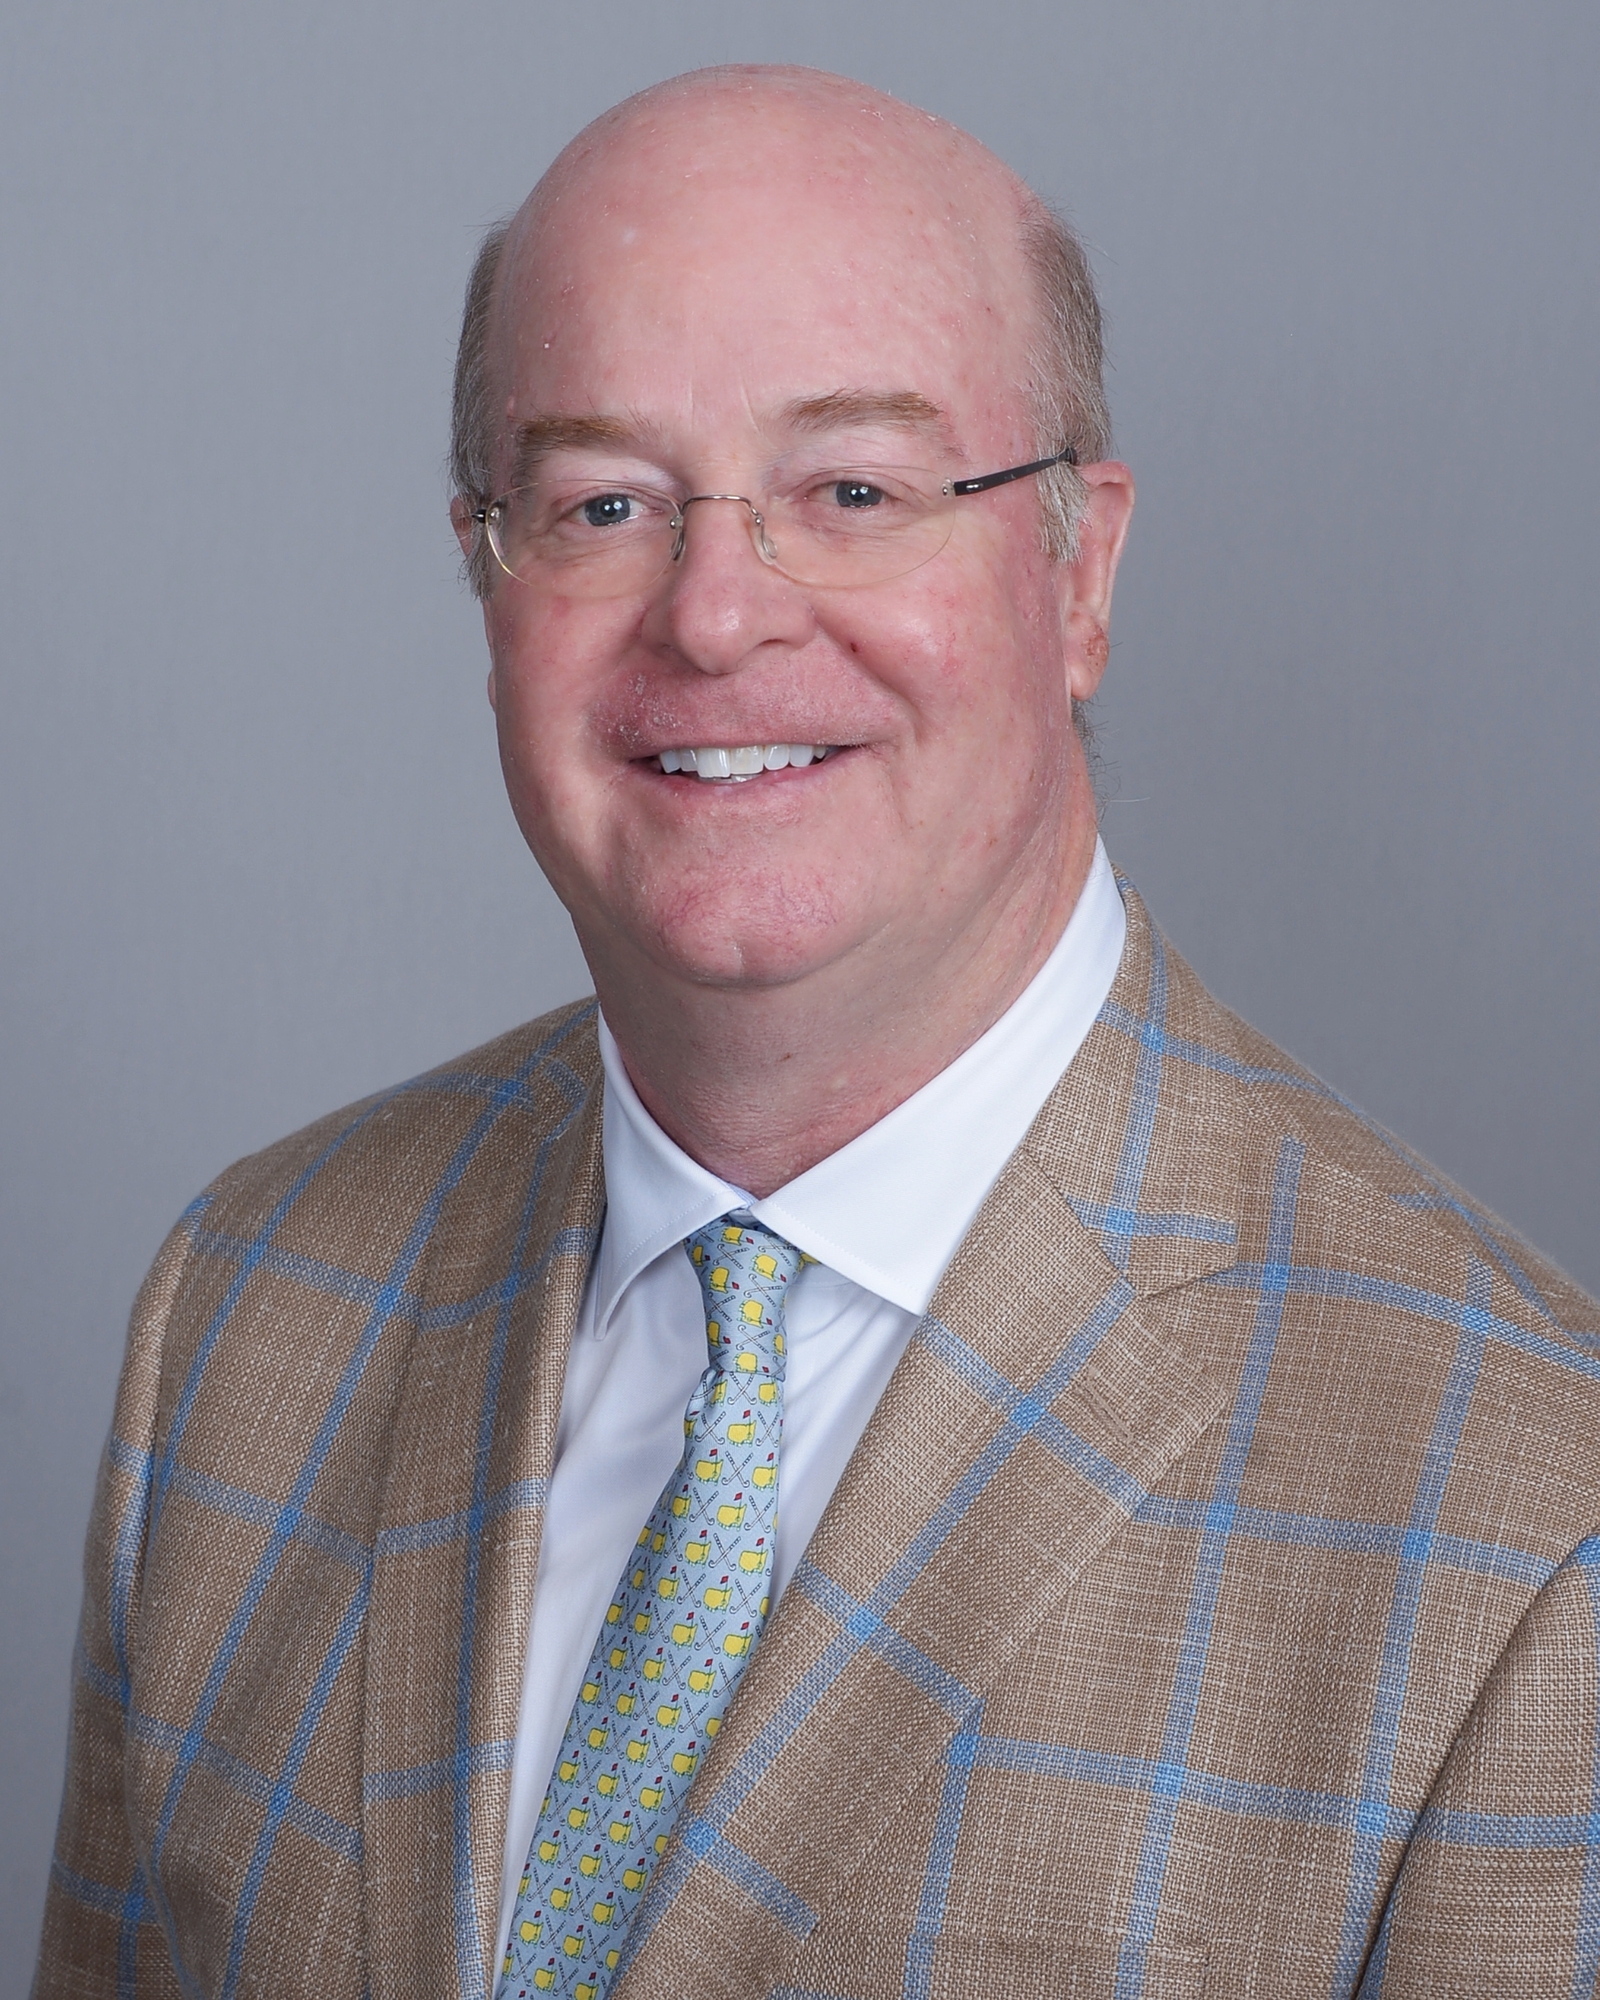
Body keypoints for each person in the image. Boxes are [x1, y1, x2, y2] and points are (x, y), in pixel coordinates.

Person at [34, 64, 1600, 2000]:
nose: (713, 616)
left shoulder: (1527, 1529)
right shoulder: (244, 1318)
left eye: (852, 492)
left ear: (1079, 572)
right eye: (602, 503)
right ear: (487, 575)